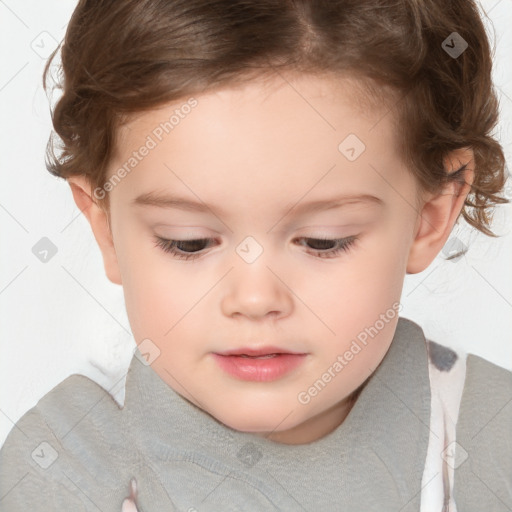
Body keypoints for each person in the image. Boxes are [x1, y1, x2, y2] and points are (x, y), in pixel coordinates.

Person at [1, 0, 511, 510]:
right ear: (106, 226)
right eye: (188, 242)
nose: (254, 298)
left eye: (323, 241)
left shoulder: (489, 443)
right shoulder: (69, 470)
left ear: (431, 212)